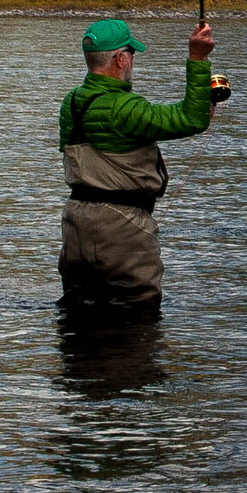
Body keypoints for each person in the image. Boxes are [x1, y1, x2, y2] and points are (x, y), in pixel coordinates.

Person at [58, 16, 218, 314]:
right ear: (120, 59)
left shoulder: (71, 103)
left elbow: (113, 130)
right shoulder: (126, 108)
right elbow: (191, 119)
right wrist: (198, 58)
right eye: (131, 54)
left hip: (76, 223)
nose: (132, 61)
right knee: (138, 311)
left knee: (77, 311)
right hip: (121, 229)